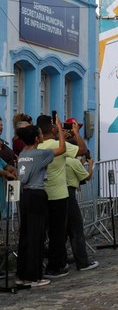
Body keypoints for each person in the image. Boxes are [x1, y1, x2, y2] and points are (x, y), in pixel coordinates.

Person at [37, 114, 87, 278]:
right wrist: (76, 133)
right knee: (57, 234)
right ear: (53, 128)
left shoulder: (36, 146)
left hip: (41, 194)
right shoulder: (57, 145)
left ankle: (42, 265)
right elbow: (82, 150)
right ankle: (56, 266)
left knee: (43, 233)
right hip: (58, 194)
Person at [15, 123, 65, 287]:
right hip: (37, 195)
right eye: (40, 134)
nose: (42, 135)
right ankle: (34, 276)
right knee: (37, 236)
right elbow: (62, 149)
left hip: (25, 195)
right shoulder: (40, 153)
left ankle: (22, 274)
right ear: (37, 138)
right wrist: (59, 129)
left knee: (25, 235)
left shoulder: (23, 154)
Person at [63, 126, 99, 272]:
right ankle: (82, 262)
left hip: (56, 195)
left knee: (61, 231)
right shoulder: (73, 162)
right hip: (69, 195)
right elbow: (87, 177)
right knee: (76, 230)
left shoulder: (59, 159)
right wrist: (90, 165)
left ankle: (61, 261)